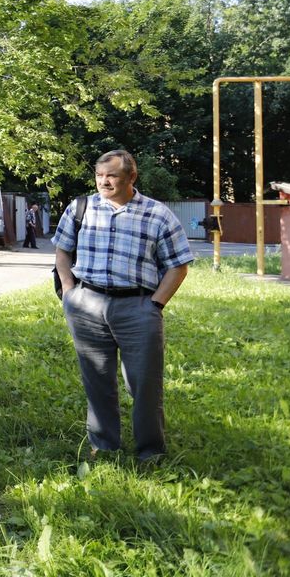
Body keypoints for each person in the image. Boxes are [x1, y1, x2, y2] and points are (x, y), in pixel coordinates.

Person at [52, 150, 193, 461]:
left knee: (144, 384)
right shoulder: (80, 208)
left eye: (112, 175)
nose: (104, 181)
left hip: (138, 307)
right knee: (97, 379)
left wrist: (155, 305)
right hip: (87, 305)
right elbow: (62, 252)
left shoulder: (158, 214)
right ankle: (104, 446)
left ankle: (150, 452)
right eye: (99, 175)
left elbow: (178, 265)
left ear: (132, 177)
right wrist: (70, 293)